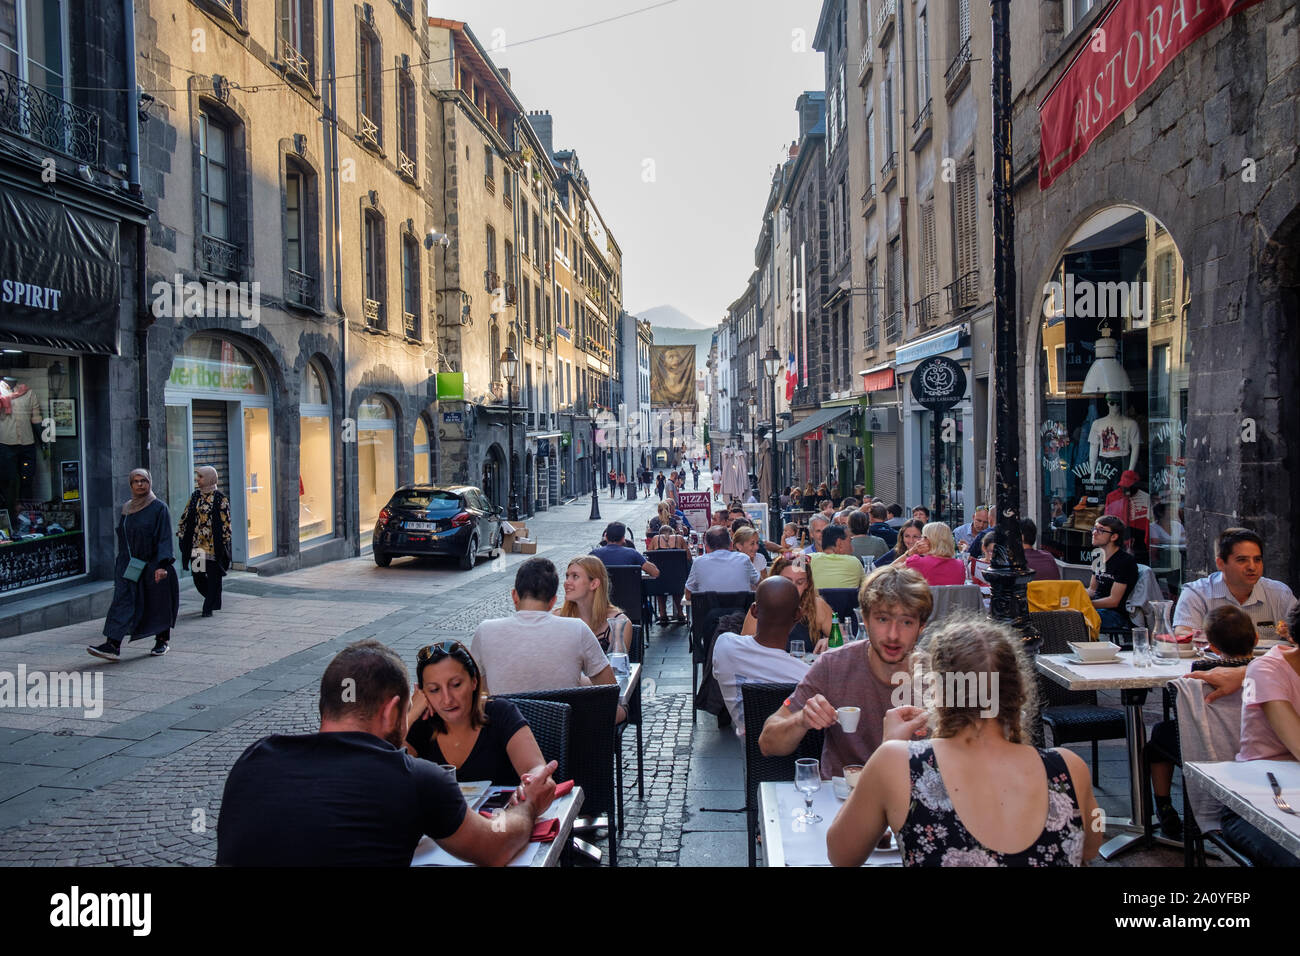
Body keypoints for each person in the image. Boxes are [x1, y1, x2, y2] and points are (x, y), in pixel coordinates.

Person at [217, 639, 557, 866]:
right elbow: (495, 848)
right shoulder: (414, 778)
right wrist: (528, 808)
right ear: (393, 710)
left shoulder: (253, 760)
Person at [827, 617, 1101, 867]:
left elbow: (841, 854)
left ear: (937, 689)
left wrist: (885, 749)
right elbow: (1091, 846)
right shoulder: (1068, 768)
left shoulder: (897, 764)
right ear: (1017, 691)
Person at [759, 565, 933, 778]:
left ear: (921, 627)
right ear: (866, 621)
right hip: (841, 801)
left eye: (906, 622)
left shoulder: (939, 675)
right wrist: (802, 719)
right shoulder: (833, 665)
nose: (893, 635)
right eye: (883, 619)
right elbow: (767, 743)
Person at [1145, 606, 1258, 840]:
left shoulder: (1203, 675)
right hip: (1252, 747)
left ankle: (1163, 805)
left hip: (1209, 748)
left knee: (1158, 736)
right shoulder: (1266, 671)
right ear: (1256, 638)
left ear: (1213, 647)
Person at [469, 559, 623, 723]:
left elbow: (480, 694)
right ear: (552, 602)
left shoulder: (485, 631)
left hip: (504, 741)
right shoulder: (578, 629)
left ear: (515, 595)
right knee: (621, 710)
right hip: (564, 741)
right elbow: (609, 694)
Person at [404, 640, 545, 786]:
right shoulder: (422, 723)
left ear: (474, 681)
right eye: (434, 690)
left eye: (456, 685)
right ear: (423, 692)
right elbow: (385, 776)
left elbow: (535, 768)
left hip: (505, 809)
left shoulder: (501, 713)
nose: (447, 699)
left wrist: (534, 780)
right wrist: (411, 715)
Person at [89, 469, 180, 661]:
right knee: (122, 602)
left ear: (150, 483)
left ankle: (162, 641)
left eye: (144, 481)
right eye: (136, 481)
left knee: (157, 604)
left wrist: (162, 566)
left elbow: (164, 537)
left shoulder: (159, 508)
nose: (140, 485)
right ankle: (112, 644)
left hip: (153, 565)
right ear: (130, 485)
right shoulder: (127, 509)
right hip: (129, 566)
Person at [711, 577, 811, 735]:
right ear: (798, 615)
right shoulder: (806, 676)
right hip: (800, 755)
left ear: (754, 611)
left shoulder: (724, 646)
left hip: (750, 753)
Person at [1173, 527, 1295, 640]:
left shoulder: (1279, 593)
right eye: (1242, 560)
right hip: (1214, 663)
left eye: (1257, 560)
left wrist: (1292, 636)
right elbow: (1184, 635)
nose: (1252, 567)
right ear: (1220, 563)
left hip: (1266, 663)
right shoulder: (1197, 594)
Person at [741, 555, 834, 651]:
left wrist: (830, 641)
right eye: (787, 581)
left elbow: (843, 639)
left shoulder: (817, 606)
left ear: (807, 584)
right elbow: (744, 650)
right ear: (775, 579)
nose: (792, 588)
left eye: (799, 582)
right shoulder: (762, 607)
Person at [175, 466, 232, 618]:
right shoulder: (195, 497)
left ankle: (208, 607)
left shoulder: (220, 498)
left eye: (200, 476)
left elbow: (226, 523)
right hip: (197, 547)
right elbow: (186, 516)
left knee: (214, 578)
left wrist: (225, 542)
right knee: (198, 576)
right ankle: (213, 598)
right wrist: (181, 533)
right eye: (198, 476)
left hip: (213, 548)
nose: (197, 479)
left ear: (208, 478)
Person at [555, 556, 633, 655]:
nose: (566, 582)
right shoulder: (558, 617)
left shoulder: (618, 624)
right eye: (567, 576)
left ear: (594, 584)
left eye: (575, 576)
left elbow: (617, 667)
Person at [1086, 515, 1139, 633]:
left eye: (1100, 530)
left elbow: (1114, 601)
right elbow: (1092, 590)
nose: (1094, 533)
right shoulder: (1097, 555)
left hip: (1116, 614)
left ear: (1114, 537)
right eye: (1094, 528)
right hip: (1098, 609)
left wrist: (1084, 605)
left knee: (1074, 619)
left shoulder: (1125, 561)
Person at [684, 526, 760, 598]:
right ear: (731, 545)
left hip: (709, 611)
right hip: (740, 611)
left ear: (706, 548)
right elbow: (760, 585)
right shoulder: (744, 559)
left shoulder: (698, 562)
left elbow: (688, 595)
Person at [647, 516, 691, 625]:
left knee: (660, 579)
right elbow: (689, 557)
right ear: (673, 532)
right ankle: (680, 613)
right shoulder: (679, 538)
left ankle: (662, 614)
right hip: (678, 579)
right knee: (677, 578)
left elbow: (649, 556)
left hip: (659, 579)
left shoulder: (655, 539)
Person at [904, 522, 966, 587]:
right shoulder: (960, 565)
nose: (919, 541)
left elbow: (892, 571)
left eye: (923, 537)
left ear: (929, 540)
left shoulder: (917, 561)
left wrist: (910, 553)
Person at [590, 521, 660, 578]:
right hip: (629, 594)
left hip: (604, 594)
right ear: (623, 539)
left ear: (606, 537)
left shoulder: (595, 554)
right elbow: (655, 573)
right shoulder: (632, 553)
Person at [809, 525, 865, 591]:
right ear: (839, 543)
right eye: (850, 541)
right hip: (845, 601)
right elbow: (866, 588)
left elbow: (795, 561)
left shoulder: (810, 559)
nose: (852, 548)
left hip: (816, 600)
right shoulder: (854, 562)